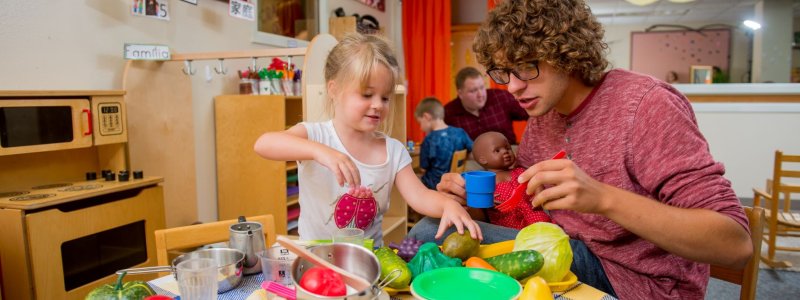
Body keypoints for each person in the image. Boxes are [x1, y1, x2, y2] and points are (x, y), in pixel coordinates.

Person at [408, 1, 752, 299]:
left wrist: (603, 198)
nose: (513, 86)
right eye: (504, 72)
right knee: (439, 228)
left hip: (636, 283)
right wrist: (475, 203)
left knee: (427, 234)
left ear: (566, 51)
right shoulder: (543, 113)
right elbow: (519, 208)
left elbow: (734, 245)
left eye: (527, 66)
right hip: (566, 254)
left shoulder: (646, 105)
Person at [253, 33, 481, 246]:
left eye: (385, 97)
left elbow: (420, 196)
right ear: (334, 90)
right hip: (317, 258)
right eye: (366, 94)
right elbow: (264, 144)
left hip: (368, 260)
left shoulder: (393, 150)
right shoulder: (315, 136)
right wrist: (319, 151)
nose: (378, 105)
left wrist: (447, 204)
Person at [469, 131, 551, 229]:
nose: (505, 151)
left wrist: (538, 192)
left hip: (533, 215)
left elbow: (537, 181)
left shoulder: (520, 171)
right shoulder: (484, 182)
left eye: (507, 148)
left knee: (545, 230)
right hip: (506, 224)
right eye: (497, 150)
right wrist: (487, 200)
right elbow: (478, 205)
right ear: (483, 159)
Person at [444, 67, 529, 143]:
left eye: (482, 87)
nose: (480, 94)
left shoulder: (500, 97)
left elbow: (531, 114)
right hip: (471, 158)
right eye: (473, 91)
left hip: (509, 151)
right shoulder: (448, 113)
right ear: (460, 93)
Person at [414, 97, 473, 189]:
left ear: (426, 117)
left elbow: (423, 169)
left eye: (420, 123)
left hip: (434, 184)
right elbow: (471, 150)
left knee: (411, 177)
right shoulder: (460, 132)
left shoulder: (429, 139)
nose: (420, 128)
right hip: (456, 182)